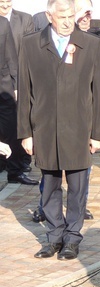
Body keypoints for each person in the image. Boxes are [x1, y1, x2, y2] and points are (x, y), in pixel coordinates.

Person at [18, 0, 100, 261]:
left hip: (80, 128)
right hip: (44, 128)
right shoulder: (31, 44)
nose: (68, 21)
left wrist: (98, 133)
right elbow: (25, 92)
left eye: (71, 15)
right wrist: (26, 132)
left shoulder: (91, 44)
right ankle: (54, 237)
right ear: (49, 16)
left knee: (78, 188)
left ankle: (72, 238)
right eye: (62, 16)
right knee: (50, 187)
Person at [31, 0, 100, 224]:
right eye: (81, 12)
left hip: (81, 115)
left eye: (89, 13)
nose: (85, 17)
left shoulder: (96, 38)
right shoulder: (52, 37)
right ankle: (43, 207)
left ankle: (79, 208)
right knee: (50, 168)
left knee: (80, 172)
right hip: (53, 117)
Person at [0, 1, 36, 186]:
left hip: (4, 84)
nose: (5, 4)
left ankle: (15, 171)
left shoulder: (4, 24)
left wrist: (15, 84)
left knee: (12, 128)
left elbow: (10, 56)